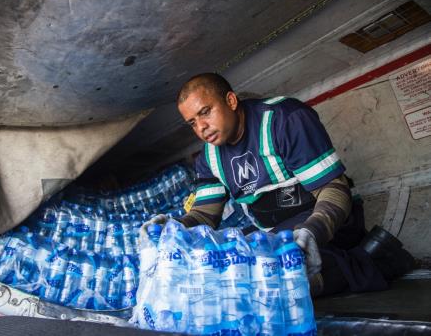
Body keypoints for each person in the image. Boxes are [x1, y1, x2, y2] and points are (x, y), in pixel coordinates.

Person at [144, 72, 414, 296]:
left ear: (230, 100)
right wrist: (173, 227)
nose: (201, 127)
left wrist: (314, 229)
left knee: (273, 277)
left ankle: (378, 261)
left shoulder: (285, 119)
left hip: (329, 220)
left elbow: (334, 188)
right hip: (274, 231)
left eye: (206, 112)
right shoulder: (209, 156)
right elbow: (204, 214)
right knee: (229, 267)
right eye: (192, 122)